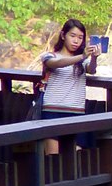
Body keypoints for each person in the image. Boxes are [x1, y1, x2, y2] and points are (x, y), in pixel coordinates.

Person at [38, 18, 100, 155]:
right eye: (72, 36)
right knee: (52, 158)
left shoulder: (82, 60)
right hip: (52, 109)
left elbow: (91, 69)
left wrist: (94, 57)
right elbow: (57, 63)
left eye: (80, 37)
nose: (76, 41)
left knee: (75, 158)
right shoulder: (49, 55)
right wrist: (82, 56)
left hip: (76, 111)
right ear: (63, 35)